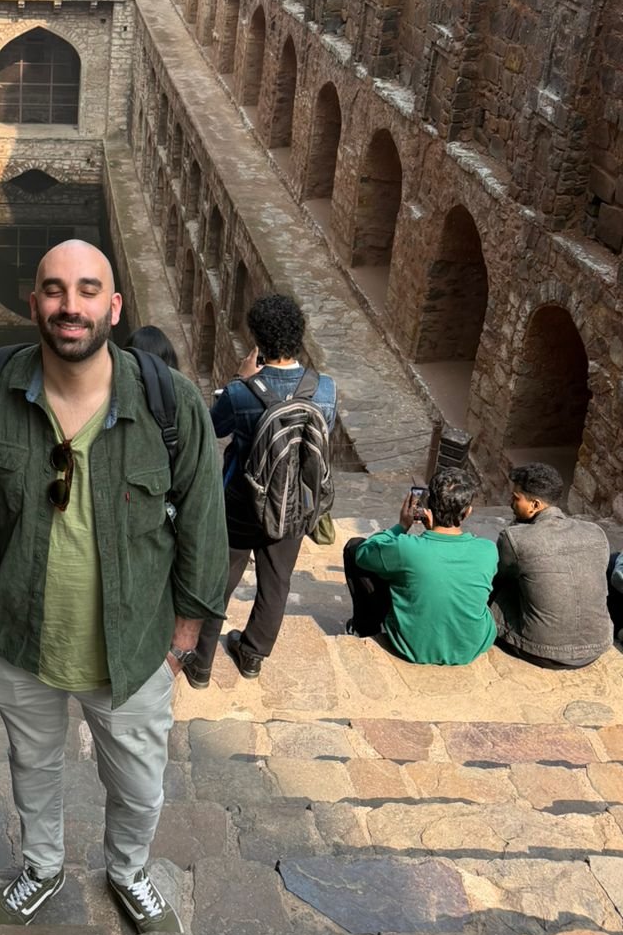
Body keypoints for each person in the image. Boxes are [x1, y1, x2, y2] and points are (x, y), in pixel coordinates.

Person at [0, 240, 227, 935]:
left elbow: (203, 519)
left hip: (134, 646)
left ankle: (128, 868)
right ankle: (42, 866)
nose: (68, 306)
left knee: (139, 784)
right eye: (53, 290)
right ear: (34, 303)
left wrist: (185, 638)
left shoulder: (170, 405)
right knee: (33, 767)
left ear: (113, 305)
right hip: (18, 638)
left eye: (85, 290)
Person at [186, 293, 335, 686]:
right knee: (276, 580)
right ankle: (252, 656)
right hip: (292, 504)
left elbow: (210, 428)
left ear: (258, 341)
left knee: (221, 579)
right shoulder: (325, 390)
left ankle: (201, 665)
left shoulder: (241, 392)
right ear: (299, 336)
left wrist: (240, 379)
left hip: (240, 500)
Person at [343, 466, 496, 665]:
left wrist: (401, 526)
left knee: (354, 546)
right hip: (472, 647)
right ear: (467, 513)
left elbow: (363, 553)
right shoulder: (488, 550)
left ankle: (364, 627)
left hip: (412, 647)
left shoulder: (406, 548)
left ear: (428, 507)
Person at [491, 462, 613, 668]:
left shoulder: (515, 538)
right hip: (596, 646)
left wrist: (517, 526)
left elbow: (499, 577)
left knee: (497, 589)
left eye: (516, 498)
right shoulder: (595, 532)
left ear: (535, 505)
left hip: (540, 650)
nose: (511, 503)